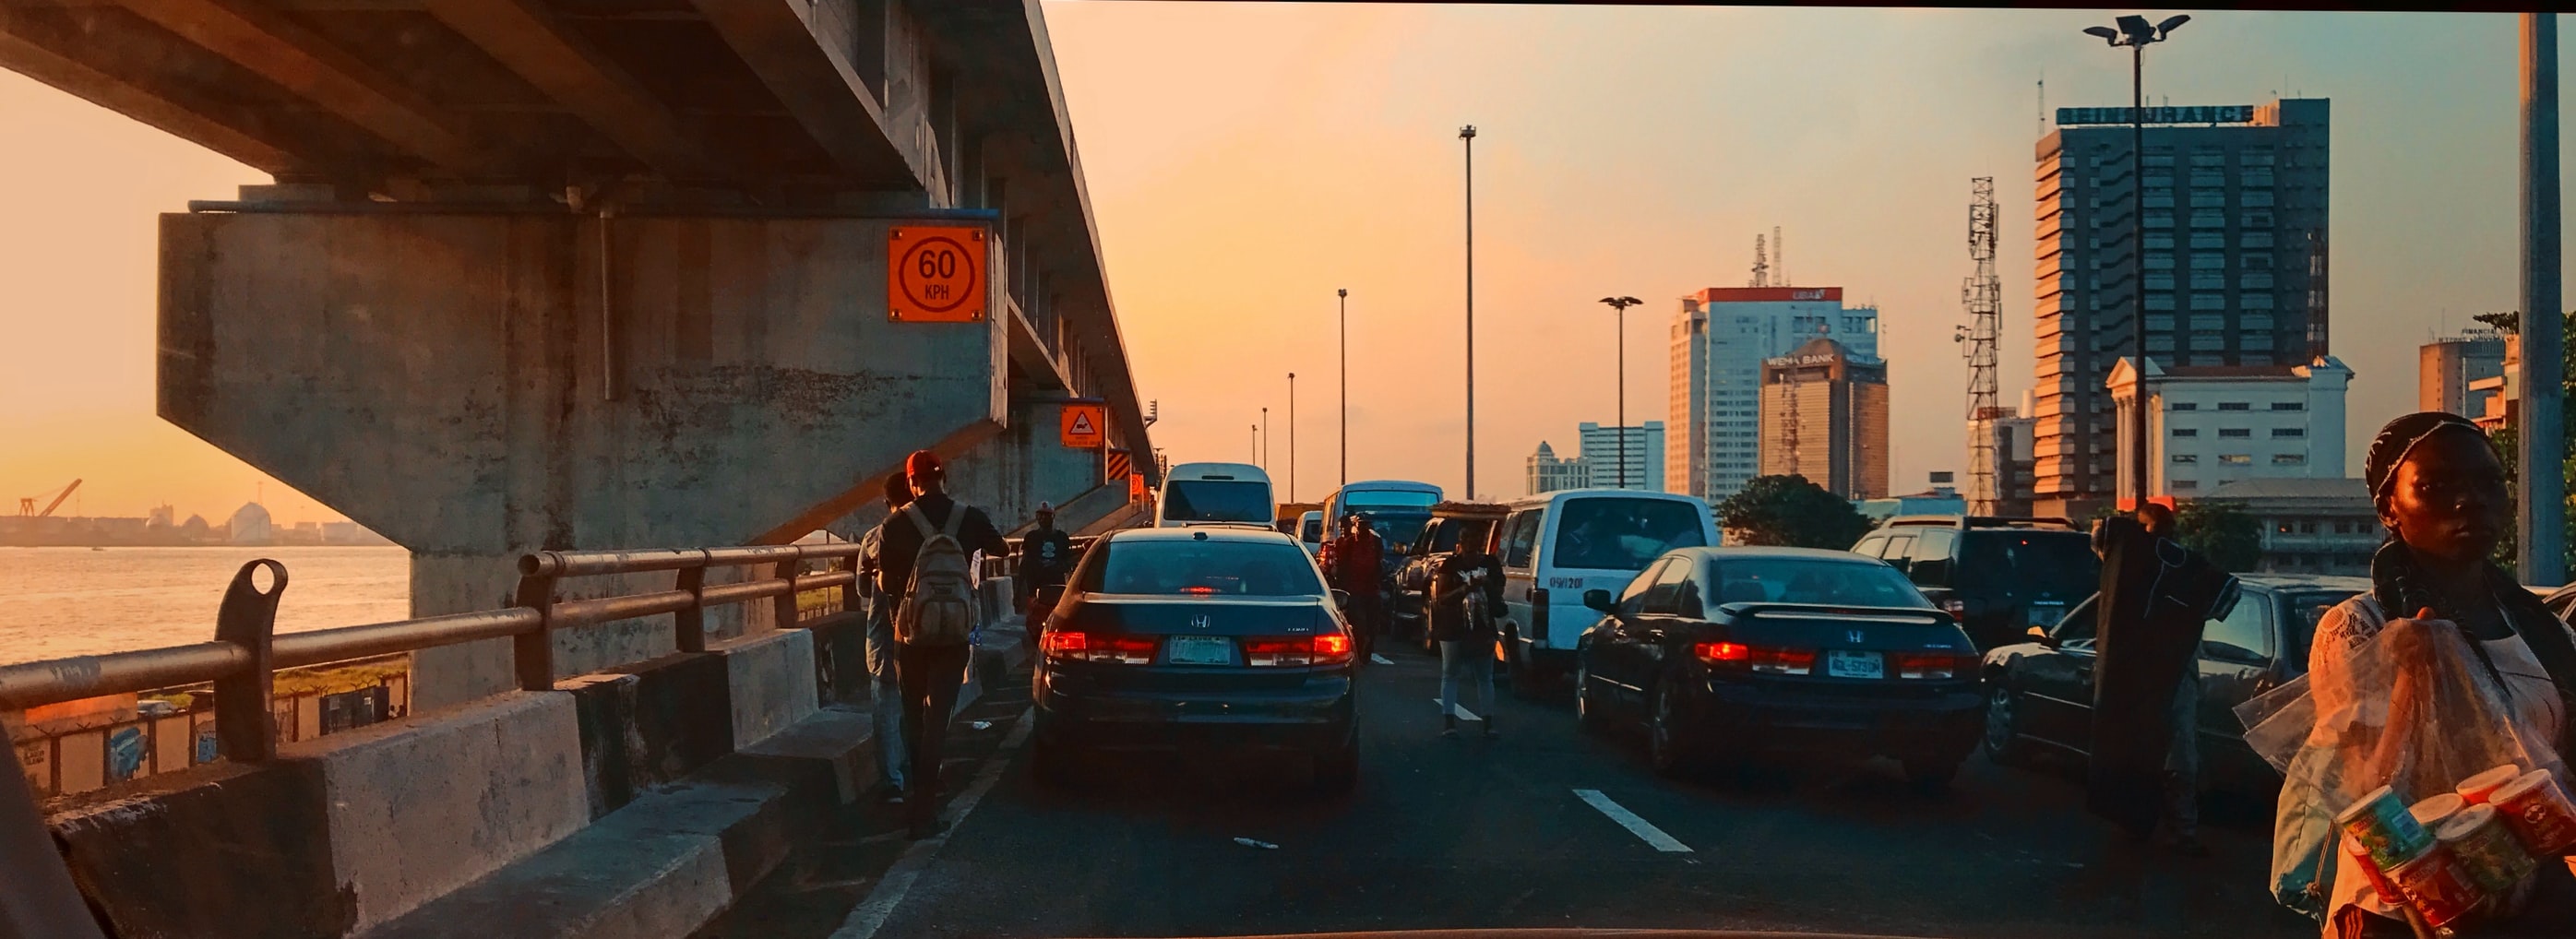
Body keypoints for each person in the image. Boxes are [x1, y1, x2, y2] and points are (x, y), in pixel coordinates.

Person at [2293, 413, 2576, 938]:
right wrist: (2410, 679)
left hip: (2532, 904)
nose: (2470, 500)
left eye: (2488, 482)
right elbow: (2368, 799)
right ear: (2389, 508)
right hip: (2409, 910)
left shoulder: (2545, 631)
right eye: (2436, 486)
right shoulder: (2362, 627)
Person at [2087, 498, 2237, 855]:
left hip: (2170, 673)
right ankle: (2142, 820)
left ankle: (2178, 829)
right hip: (2140, 672)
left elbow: (2225, 595)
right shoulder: (2128, 560)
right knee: (2141, 745)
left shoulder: (2185, 569)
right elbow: (2100, 536)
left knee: (2176, 753)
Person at [877, 450, 1009, 839]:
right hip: (954, 634)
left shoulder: (895, 524)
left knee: (914, 718)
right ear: (943, 478)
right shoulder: (969, 517)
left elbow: (884, 583)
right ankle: (927, 809)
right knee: (938, 719)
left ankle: (916, 804)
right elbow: (1002, 548)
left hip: (910, 635)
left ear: (912, 482)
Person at [854, 471, 912, 804]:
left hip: (886, 637)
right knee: (920, 708)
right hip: (925, 635)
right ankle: (924, 772)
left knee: (887, 711)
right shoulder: (932, 535)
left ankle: (893, 783)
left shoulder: (874, 537)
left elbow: (863, 589)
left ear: (886, 501)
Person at [1430, 521, 1505, 738]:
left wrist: (1486, 584)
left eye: (1475, 540)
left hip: (1482, 627)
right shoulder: (1450, 565)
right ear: (1460, 542)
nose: (1470, 545)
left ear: (1481, 542)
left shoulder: (1491, 565)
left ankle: (1488, 722)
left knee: (1484, 675)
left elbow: (1499, 593)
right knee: (1451, 673)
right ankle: (1449, 722)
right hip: (1453, 626)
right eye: (1466, 540)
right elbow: (1442, 598)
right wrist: (1465, 589)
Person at [1321, 513, 1386, 660]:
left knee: (1373, 625)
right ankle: (1359, 653)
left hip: (1372, 590)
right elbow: (1341, 565)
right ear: (1355, 526)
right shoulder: (1348, 543)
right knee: (1359, 624)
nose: (1363, 528)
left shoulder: (1376, 542)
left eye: (1366, 524)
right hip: (1354, 590)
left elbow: (1379, 562)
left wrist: (1378, 579)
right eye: (1360, 524)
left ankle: (1368, 651)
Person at [1017, 501, 1077, 636]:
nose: (1043, 518)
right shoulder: (1031, 537)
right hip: (1035, 588)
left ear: (1053, 516)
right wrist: (1018, 591)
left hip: (1056, 587)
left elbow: (1069, 561)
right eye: (1040, 515)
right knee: (1033, 622)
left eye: (1047, 515)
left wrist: (1057, 566)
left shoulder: (1062, 538)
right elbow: (1024, 564)